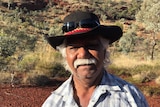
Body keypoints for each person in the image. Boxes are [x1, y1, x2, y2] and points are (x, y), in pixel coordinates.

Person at [42, 11, 148, 107]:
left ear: (104, 51)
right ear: (65, 55)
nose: (83, 54)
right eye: (74, 47)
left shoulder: (131, 98)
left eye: (91, 45)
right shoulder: (53, 103)